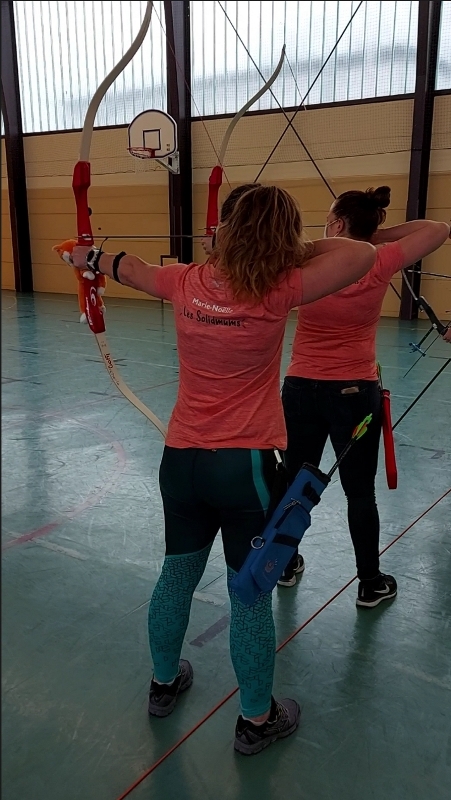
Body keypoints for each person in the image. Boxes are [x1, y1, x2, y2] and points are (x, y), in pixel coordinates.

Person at [71, 185, 377, 755]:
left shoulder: (186, 280)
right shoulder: (282, 286)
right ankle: (255, 721)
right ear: (282, 237)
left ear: (227, 230)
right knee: (251, 594)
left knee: (177, 574)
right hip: (246, 470)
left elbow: (130, 267)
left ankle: (163, 684)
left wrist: (87, 258)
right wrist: (285, 248)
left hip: (181, 461)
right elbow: (361, 253)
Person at [279, 186, 450, 607]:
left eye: (330, 220)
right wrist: (377, 235)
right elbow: (438, 228)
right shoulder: (378, 259)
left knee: (294, 483)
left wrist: (345, 238)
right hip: (354, 394)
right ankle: (370, 583)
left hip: (301, 388)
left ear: (337, 224)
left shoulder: (307, 263)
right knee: (360, 492)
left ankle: (283, 563)